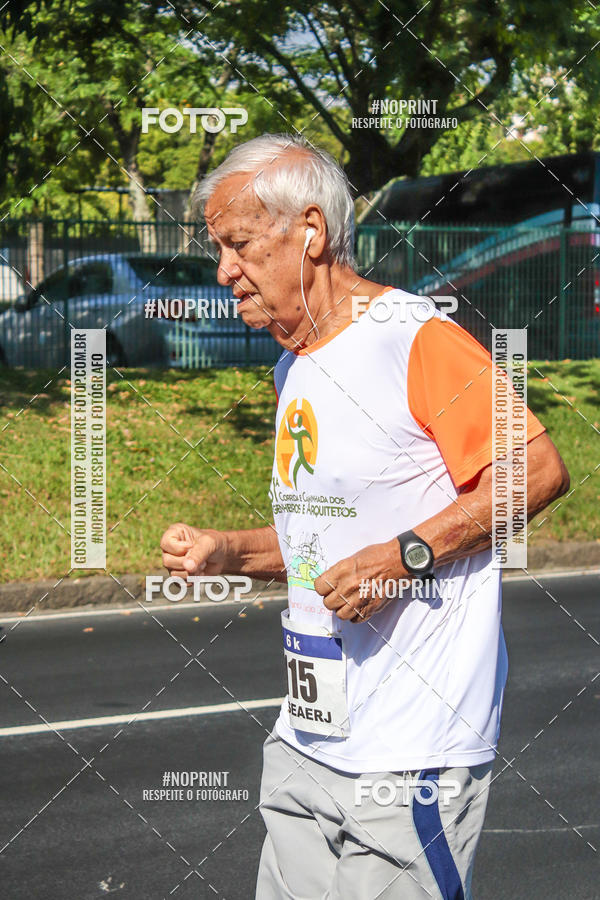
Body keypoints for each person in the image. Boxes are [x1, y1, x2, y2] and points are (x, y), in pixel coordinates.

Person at [160, 134, 569, 899]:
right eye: (219, 248)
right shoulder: (295, 363)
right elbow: (323, 538)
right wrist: (230, 552)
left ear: (309, 231)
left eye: (238, 243)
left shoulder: (413, 337)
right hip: (307, 742)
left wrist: (403, 557)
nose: (223, 270)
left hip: (409, 752)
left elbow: (537, 469)